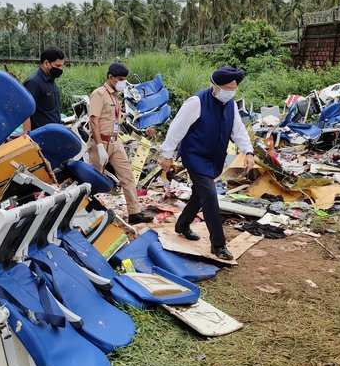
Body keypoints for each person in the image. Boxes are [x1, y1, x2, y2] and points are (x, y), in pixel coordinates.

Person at [159, 66, 255, 260]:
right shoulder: (196, 102)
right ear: (215, 86)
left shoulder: (231, 105)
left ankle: (182, 225)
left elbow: (238, 130)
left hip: (214, 158)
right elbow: (176, 128)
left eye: (234, 88)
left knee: (199, 194)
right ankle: (218, 244)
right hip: (195, 156)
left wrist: (248, 151)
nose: (231, 92)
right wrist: (167, 154)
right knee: (210, 195)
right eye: (227, 88)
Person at [88, 63, 152, 225]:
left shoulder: (116, 97)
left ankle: (134, 213)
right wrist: (100, 146)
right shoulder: (99, 94)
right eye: (120, 79)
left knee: (127, 176)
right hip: (100, 142)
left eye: (124, 79)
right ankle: (88, 212)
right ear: (110, 77)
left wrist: (142, 132)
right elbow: (93, 121)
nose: (123, 82)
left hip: (116, 142)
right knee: (95, 180)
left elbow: (119, 121)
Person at [22, 47, 65, 132]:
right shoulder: (34, 82)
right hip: (42, 135)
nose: (60, 69)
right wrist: (27, 137)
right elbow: (25, 111)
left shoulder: (51, 81)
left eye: (62, 66)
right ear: (46, 63)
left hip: (54, 132)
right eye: (57, 66)